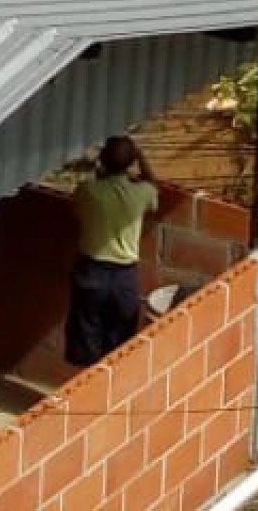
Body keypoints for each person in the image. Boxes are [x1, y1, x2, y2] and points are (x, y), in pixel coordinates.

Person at [65, 134, 159, 367]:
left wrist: (101, 169)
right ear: (131, 163)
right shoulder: (142, 193)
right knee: (119, 344)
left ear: (103, 160)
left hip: (91, 272)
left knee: (86, 337)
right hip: (124, 277)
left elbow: (75, 206)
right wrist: (140, 156)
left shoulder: (88, 191)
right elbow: (155, 185)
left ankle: (84, 390)